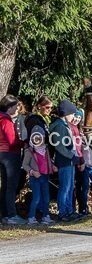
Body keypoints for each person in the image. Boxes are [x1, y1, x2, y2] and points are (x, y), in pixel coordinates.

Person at [21, 108, 54, 225]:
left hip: (45, 176)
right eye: (36, 138)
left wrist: (52, 167)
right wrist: (32, 172)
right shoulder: (29, 151)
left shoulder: (45, 149)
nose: (38, 140)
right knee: (36, 198)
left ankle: (46, 216)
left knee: (46, 197)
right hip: (35, 177)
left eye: (40, 137)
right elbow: (24, 165)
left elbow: (48, 161)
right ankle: (31, 217)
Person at [50, 100, 79, 221]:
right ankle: (63, 212)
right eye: (72, 114)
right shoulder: (59, 126)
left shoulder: (65, 125)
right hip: (64, 161)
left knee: (70, 186)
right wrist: (71, 156)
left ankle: (69, 210)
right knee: (65, 187)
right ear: (65, 114)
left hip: (70, 160)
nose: (73, 117)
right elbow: (59, 146)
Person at [0, 95, 25, 224]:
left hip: (1, 154)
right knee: (11, 186)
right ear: (9, 107)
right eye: (15, 106)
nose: (17, 108)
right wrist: (23, 143)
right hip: (10, 154)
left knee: (4, 186)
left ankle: (4, 214)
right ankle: (11, 215)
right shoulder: (6, 120)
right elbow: (12, 141)